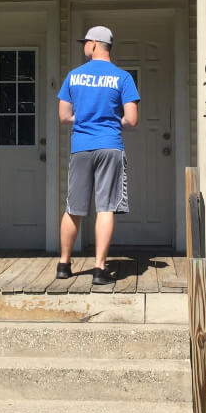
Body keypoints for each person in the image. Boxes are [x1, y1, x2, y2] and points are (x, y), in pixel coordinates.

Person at [56, 25, 139, 285]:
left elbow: (64, 117)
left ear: (94, 44)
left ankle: (63, 265)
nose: (83, 46)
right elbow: (132, 120)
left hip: (81, 147)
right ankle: (99, 269)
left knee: (74, 208)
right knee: (105, 208)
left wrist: (85, 119)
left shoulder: (73, 76)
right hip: (109, 146)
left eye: (85, 42)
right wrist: (112, 122)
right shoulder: (123, 77)